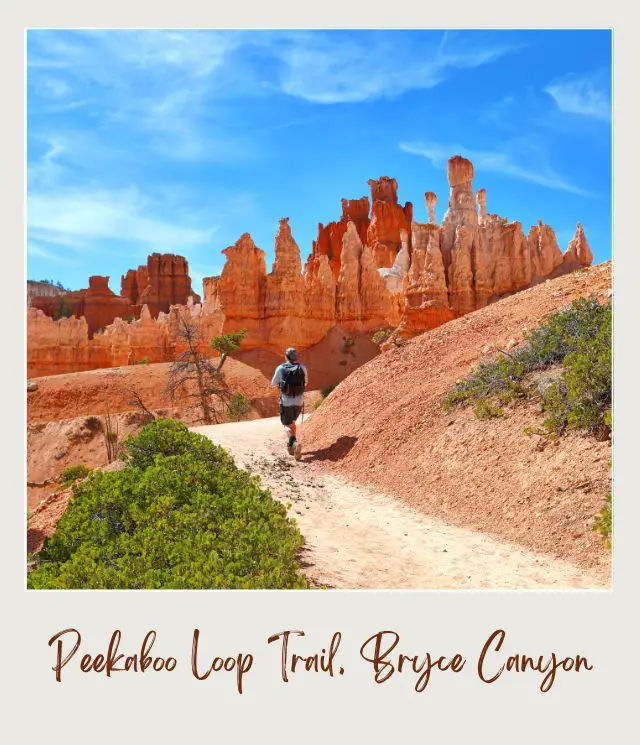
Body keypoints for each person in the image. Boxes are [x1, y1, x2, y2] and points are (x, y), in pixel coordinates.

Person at [271, 347, 308, 459]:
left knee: (286, 425)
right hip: (299, 400)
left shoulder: (281, 368)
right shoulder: (302, 367)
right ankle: (292, 448)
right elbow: (306, 383)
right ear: (296, 357)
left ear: (286, 357)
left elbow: (273, 383)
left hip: (286, 401)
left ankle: (294, 442)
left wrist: (282, 384)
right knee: (292, 422)